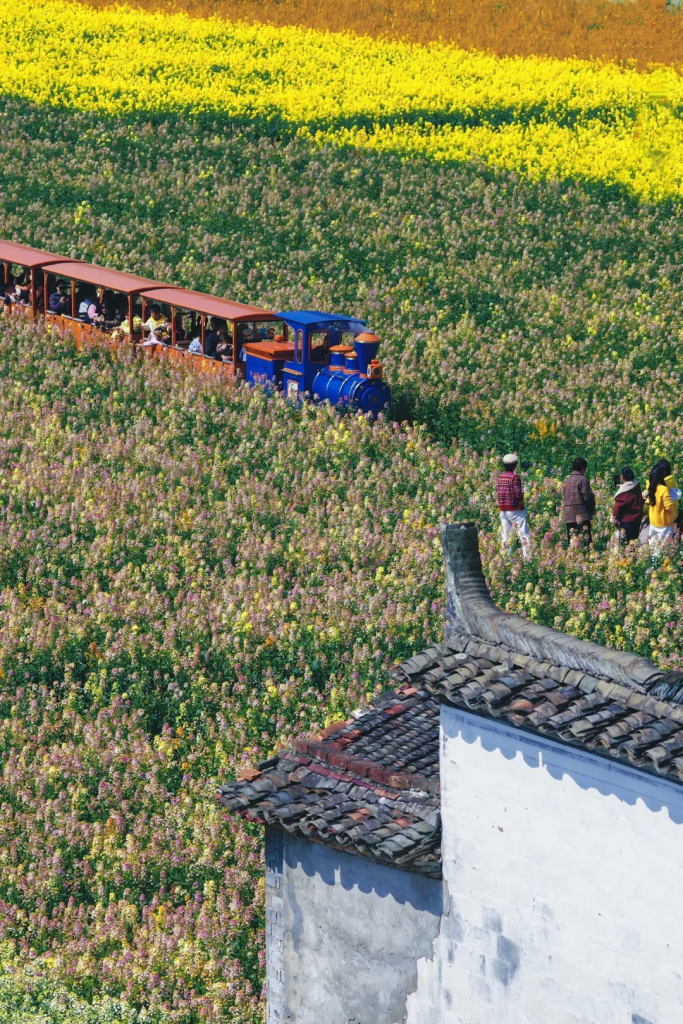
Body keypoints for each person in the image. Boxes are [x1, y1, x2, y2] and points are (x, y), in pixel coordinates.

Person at [496, 453, 530, 557]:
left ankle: (505, 557)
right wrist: (521, 503)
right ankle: (527, 557)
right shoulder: (515, 477)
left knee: (506, 534)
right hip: (515, 509)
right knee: (523, 533)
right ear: (515, 465)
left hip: (503, 510)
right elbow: (517, 493)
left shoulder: (500, 477)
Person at [645, 459, 677, 551]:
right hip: (664, 522)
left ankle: (653, 560)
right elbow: (669, 507)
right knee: (664, 547)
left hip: (653, 521)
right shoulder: (663, 489)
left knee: (653, 545)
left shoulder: (650, 487)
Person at [562, 457, 595, 545]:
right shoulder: (583, 480)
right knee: (585, 542)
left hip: (569, 516)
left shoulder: (566, 481)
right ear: (582, 468)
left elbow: (564, 496)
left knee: (572, 542)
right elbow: (587, 497)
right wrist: (592, 510)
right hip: (582, 515)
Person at [611, 466, 644, 544]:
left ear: (622, 477)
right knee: (634, 542)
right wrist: (622, 487)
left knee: (625, 544)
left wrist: (614, 519)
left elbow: (617, 509)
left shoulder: (622, 493)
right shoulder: (637, 486)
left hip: (626, 522)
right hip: (637, 520)